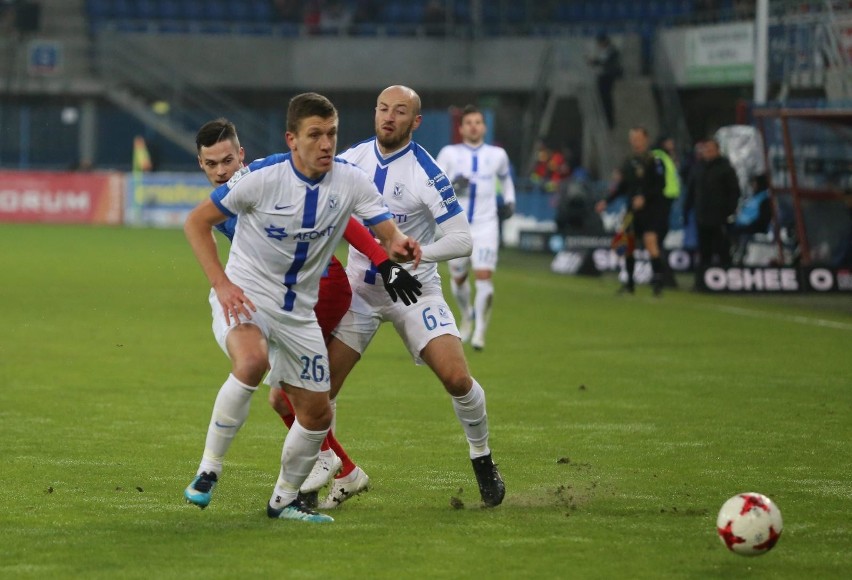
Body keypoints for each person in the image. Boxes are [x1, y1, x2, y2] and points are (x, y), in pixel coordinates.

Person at [182, 93, 421, 523]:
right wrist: (221, 284)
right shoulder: (246, 188)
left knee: (303, 403)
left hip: (316, 296)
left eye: (331, 134)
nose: (222, 171)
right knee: (261, 372)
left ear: (242, 155)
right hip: (255, 298)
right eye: (211, 164)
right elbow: (197, 223)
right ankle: (210, 472)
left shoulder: (310, 179)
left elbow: (358, 220)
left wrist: (391, 253)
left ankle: (308, 481)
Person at [325, 85, 506, 510]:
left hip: (415, 290)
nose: (389, 117)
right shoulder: (350, 160)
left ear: (415, 122)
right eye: (383, 109)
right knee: (320, 390)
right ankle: (323, 475)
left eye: (400, 111)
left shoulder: (427, 172)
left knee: (458, 379)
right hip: (361, 289)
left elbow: (462, 238)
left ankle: (482, 459)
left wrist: (423, 253)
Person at [436, 104, 516, 351]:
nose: (473, 126)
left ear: (484, 127)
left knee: (484, 277)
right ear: (461, 128)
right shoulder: (449, 153)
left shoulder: (497, 155)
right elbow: (434, 184)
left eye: (477, 122)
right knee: (459, 280)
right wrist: (453, 185)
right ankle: (467, 314)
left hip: (486, 225)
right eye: (468, 122)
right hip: (457, 226)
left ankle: (480, 330)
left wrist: (511, 202)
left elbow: (505, 179)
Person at [595, 126, 667, 295]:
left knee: (650, 243)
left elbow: (660, 186)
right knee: (627, 245)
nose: (635, 142)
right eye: (633, 139)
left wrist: (645, 198)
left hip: (651, 210)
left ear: (646, 139)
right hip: (631, 210)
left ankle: (658, 283)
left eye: (638, 139)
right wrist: (606, 201)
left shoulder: (655, 160)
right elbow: (622, 187)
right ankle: (629, 284)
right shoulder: (629, 162)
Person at [682, 137, 740, 288]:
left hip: (719, 216)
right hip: (701, 216)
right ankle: (702, 281)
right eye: (705, 150)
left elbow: (734, 192)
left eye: (710, 149)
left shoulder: (725, 169)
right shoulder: (698, 168)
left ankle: (728, 281)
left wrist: (729, 211)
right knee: (704, 250)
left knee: (722, 249)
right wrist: (686, 210)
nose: (707, 152)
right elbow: (691, 191)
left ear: (717, 151)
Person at [588, 32, 623, 130]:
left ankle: (609, 122)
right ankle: (604, 120)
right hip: (603, 76)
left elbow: (606, 62)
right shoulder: (603, 51)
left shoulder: (612, 51)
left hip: (608, 77)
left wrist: (595, 62)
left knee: (606, 99)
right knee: (602, 99)